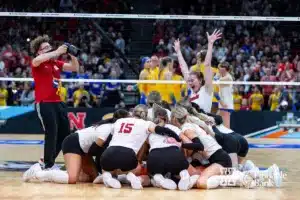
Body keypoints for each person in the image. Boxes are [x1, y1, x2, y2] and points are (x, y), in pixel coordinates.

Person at [23, 35, 79, 180]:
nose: (49, 49)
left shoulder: (55, 62)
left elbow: (74, 68)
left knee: (65, 132)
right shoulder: (37, 62)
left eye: (49, 46)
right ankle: (48, 164)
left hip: (58, 102)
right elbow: (37, 60)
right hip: (44, 102)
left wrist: (73, 55)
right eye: (45, 48)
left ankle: (46, 162)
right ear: (39, 51)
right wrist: (58, 51)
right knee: (51, 132)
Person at [23, 109, 129, 184]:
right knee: (72, 178)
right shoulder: (107, 129)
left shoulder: (116, 131)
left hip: (85, 149)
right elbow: (94, 150)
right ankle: (37, 173)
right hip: (73, 143)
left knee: (91, 178)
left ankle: (60, 173)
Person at [100, 104, 181, 190]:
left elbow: (109, 138)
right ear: (145, 115)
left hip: (109, 153)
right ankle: (130, 176)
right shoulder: (145, 123)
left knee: (108, 168)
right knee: (137, 167)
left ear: (133, 112)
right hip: (128, 155)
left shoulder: (119, 121)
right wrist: (176, 137)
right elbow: (161, 130)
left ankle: (107, 176)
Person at [147, 104, 203, 190]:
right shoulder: (173, 127)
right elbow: (189, 143)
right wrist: (185, 157)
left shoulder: (149, 130)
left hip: (154, 157)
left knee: (151, 178)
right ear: (167, 117)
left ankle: (159, 178)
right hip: (174, 155)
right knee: (196, 174)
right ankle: (185, 177)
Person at [174, 30, 222, 113]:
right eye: (189, 81)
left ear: (200, 80)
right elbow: (184, 69)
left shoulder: (207, 89)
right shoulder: (192, 90)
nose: (190, 82)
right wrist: (178, 52)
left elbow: (207, 65)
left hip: (205, 121)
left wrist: (210, 44)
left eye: (192, 80)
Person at [216, 62, 234, 128]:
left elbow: (216, 81)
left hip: (226, 104)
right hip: (223, 103)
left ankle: (231, 138)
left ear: (224, 69)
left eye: (220, 68)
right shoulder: (222, 76)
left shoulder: (228, 77)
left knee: (226, 126)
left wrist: (216, 76)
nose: (218, 69)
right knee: (217, 122)